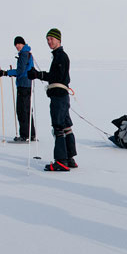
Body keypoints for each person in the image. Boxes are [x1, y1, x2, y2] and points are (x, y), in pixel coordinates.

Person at [27, 28, 77, 171]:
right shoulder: (58, 55)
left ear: (59, 40)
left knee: (59, 126)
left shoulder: (61, 56)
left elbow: (57, 77)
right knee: (66, 125)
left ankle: (61, 161)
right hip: (62, 96)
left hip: (59, 96)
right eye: (47, 39)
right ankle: (69, 158)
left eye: (52, 39)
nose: (49, 42)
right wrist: (39, 75)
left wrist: (38, 75)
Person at [0, 36, 35, 142]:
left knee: (22, 110)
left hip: (23, 85)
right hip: (27, 84)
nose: (17, 46)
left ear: (23, 44)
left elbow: (20, 71)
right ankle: (31, 134)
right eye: (16, 45)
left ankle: (24, 136)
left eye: (19, 44)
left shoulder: (24, 54)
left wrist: (6, 73)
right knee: (27, 110)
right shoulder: (28, 53)